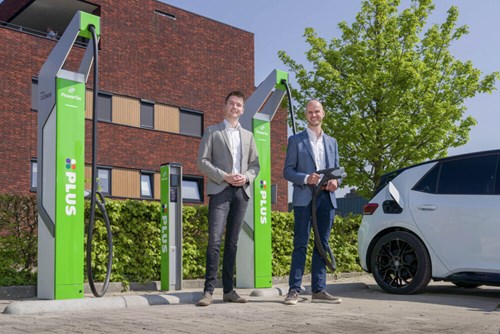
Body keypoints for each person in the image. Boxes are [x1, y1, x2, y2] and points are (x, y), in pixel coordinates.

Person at [196, 90, 260, 306]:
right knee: (214, 241)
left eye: (239, 105)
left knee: (232, 243)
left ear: (242, 110)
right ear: (225, 107)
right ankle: (208, 291)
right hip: (220, 190)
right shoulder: (212, 132)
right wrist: (224, 176)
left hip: (241, 192)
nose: (235, 108)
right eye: (231, 104)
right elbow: (202, 161)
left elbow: (255, 166)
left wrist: (246, 178)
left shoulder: (249, 136)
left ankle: (229, 290)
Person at [283, 99, 342, 305]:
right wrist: (307, 178)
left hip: (326, 199)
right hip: (304, 199)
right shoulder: (296, 140)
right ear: (305, 115)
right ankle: (294, 290)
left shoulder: (332, 142)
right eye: (310, 112)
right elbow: (287, 171)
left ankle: (319, 290)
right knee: (300, 244)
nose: (313, 115)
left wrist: (336, 181)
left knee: (322, 244)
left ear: (323, 113)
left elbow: (337, 171)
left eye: (317, 111)